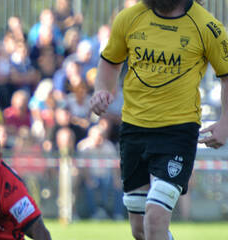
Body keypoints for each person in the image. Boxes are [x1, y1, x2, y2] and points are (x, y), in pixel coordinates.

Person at [89, 0, 228, 239]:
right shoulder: (128, 18)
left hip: (178, 133)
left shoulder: (207, 26)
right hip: (133, 130)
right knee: (140, 229)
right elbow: (110, 63)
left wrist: (226, 123)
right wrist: (101, 89)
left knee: (154, 217)